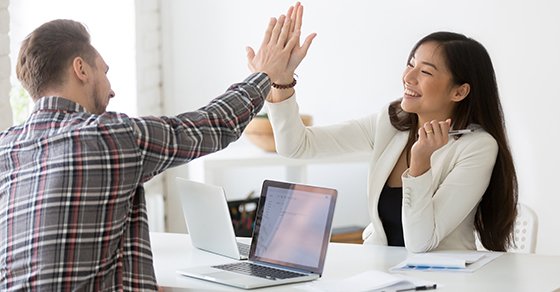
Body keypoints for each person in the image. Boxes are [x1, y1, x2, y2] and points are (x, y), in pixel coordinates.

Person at [0, 7, 305, 290]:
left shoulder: (5, 148)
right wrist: (265, 75)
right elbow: (214, 124)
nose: (112, 89)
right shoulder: (107, 136)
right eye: (104, 72)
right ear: (80, 69)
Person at [258, 5, 518, 252]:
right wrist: (281, 82)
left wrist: (420, 164)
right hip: (381, 272)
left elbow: (421, 242)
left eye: (425, 72)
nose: (408, 77)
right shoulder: (391, 123)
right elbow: (296, 146)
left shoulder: (477, 147)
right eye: (411, 64)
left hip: (444, 277)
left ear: (459, 91)